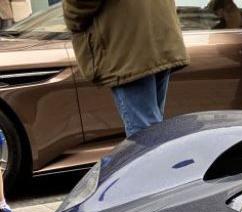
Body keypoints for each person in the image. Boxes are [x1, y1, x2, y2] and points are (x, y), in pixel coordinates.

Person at [63, 0, 188, 137]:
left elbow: (79, 4)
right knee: (153, 130)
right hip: (158, 33)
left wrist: (70, 18)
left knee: (143, 136)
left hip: (127, 42)